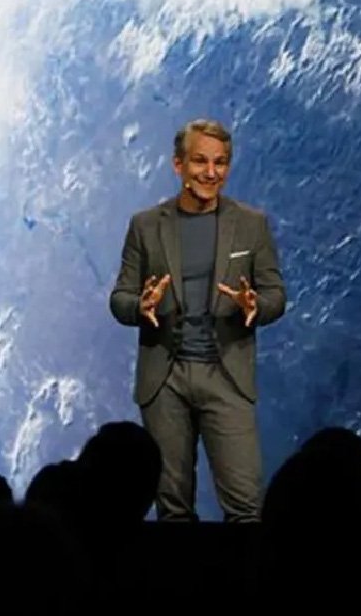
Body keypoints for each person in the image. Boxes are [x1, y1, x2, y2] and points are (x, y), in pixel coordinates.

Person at [109, 118, 287, 522]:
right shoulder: (145, 226)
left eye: (220, 163)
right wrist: (140, 306)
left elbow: (276, 295)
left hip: (226, 376)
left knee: (246, 509)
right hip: (164, 381)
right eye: (200, 161)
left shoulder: (251, 224)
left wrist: (255, 305)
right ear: (179, 165)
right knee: (172, 511)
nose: (211, 172)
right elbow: (119, 298)